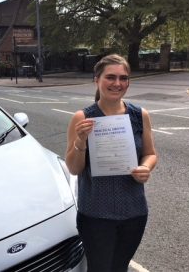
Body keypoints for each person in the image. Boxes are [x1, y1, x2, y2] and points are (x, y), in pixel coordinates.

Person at [65, 54, 157, 272]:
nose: (117, 84)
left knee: (119, 267)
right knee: (99, 268)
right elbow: (74, 168)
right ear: (96, 80)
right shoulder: (82, 118)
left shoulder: (139, 115)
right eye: (111, 77)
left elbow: (151, 153)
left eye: (123, 78)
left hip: (134, 212)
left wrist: (146, 167)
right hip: (96, 215)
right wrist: (81, 140)